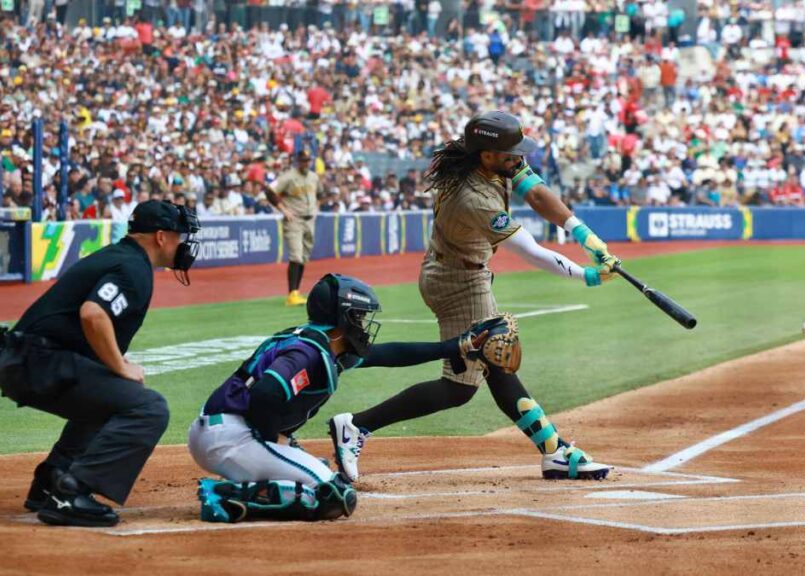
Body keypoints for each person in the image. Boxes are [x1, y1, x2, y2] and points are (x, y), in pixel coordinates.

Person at [328, 111, 619, 484]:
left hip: (460, 271)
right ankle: (356, 425)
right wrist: (587, 275)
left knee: (489, 366)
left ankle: (554, 452)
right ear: (487, 155)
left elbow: (537, 193)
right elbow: (529, 250)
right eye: (511, 152)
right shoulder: (473, 197)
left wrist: (586, 237)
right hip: (459, 281)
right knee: (475, 374)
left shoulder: (494, 163)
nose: (518, 158)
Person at [189, 273, 495, 523]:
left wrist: (451, 347)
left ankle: (250, 479)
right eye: (358, 317)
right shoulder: (308, 352)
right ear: (341, 319)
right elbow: (265, 395)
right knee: (334, 495)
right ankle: (225, 494)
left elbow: (388, 354)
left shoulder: (321, 344)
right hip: (231, 438)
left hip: (220, 431)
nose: (363, 325)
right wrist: (274, 440)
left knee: (314, 470)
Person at [0, 200, 201, 527]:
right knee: (148, 408)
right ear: (161, 237)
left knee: (114, 394)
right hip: (37, 361)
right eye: (180, 236)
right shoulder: (133, 268)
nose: (184, 244)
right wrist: (119, 366)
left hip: (24, 358)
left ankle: (52, 480)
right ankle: (72, 493)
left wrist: (115, 369)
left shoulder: (122, 257)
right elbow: (93, 313)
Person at [267, 149, 319, 307]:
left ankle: (296, 292)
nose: (306, 163)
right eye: (303, 160)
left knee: (303, 257)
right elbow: (270, 191)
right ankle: (292, 294)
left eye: (308, 160)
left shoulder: (313, 177)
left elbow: (321, 194)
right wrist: (283, 209)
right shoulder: (288, 176)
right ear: (297, 161)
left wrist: (317, 208)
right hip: (294, 220)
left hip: (309, 220)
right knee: (296, 256)